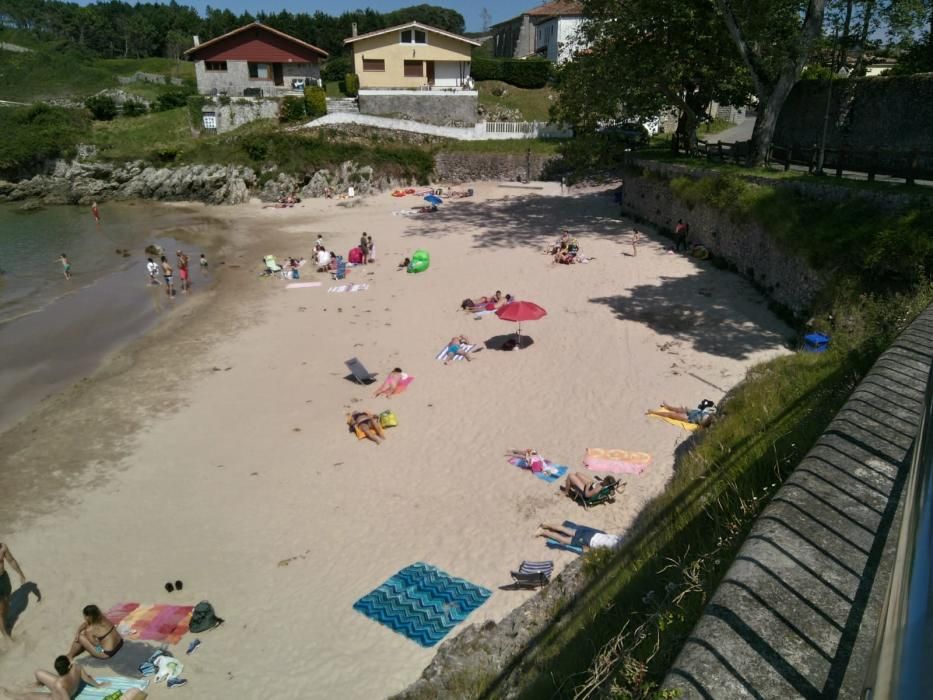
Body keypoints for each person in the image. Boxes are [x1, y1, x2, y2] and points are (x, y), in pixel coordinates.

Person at [1, 656, 142, 700]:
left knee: (28, 696)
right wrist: (98, 685)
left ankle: (13, 695)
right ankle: (38, 683)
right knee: (38, 672)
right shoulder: (77, 667)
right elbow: (87, 679)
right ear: (69, 666)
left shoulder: (59, 685)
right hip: (66, 685)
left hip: (57, 696)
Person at [0, 542, 26, 641]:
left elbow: (11, 561)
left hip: (4, 579)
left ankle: (4, 622)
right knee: (1, 610)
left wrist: (20, 573)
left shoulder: (2, 547)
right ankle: (5, 634)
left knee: (6, 603)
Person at [536, 523, 622, 551]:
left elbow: (607, 535)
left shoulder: (620, 538)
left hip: (593, 533)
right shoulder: (614, 548)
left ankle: (546, 524)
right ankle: (542, 531)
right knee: (562, 539)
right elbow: (590, 549)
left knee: (565, 529)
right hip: (587, 540)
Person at [647, 399, 717, 427]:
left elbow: (702, 424)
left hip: (690, 419)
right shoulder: (708, 415)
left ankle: (654, 412)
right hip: (695, 413)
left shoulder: (705, 422)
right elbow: (703, 411)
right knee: (679, 409)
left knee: (671, 415)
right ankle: (668, 407)